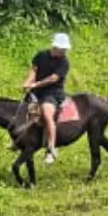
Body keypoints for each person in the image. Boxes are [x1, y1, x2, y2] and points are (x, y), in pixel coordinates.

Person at [22, 33, 71, 164]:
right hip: (37, 91)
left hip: (53, 93)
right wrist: (28, 82)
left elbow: (53, 78)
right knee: (23, 110)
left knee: (46, 113)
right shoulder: (40, 55)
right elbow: (34, 71)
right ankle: (20, 141)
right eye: (61, 49)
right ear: (54, 47)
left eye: (64, 50)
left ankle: (51, 148)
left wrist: (36, 84)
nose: (63, 52)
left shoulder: (64, 62)